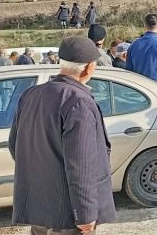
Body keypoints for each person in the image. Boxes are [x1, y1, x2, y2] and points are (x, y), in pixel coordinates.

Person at [9, 37, 115, 235]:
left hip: (40, 205)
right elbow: (81, 164)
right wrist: (85, 213)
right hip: (68, 214)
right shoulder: (79, 102)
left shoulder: (31, 95)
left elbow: (15, 146)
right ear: (89, 68)